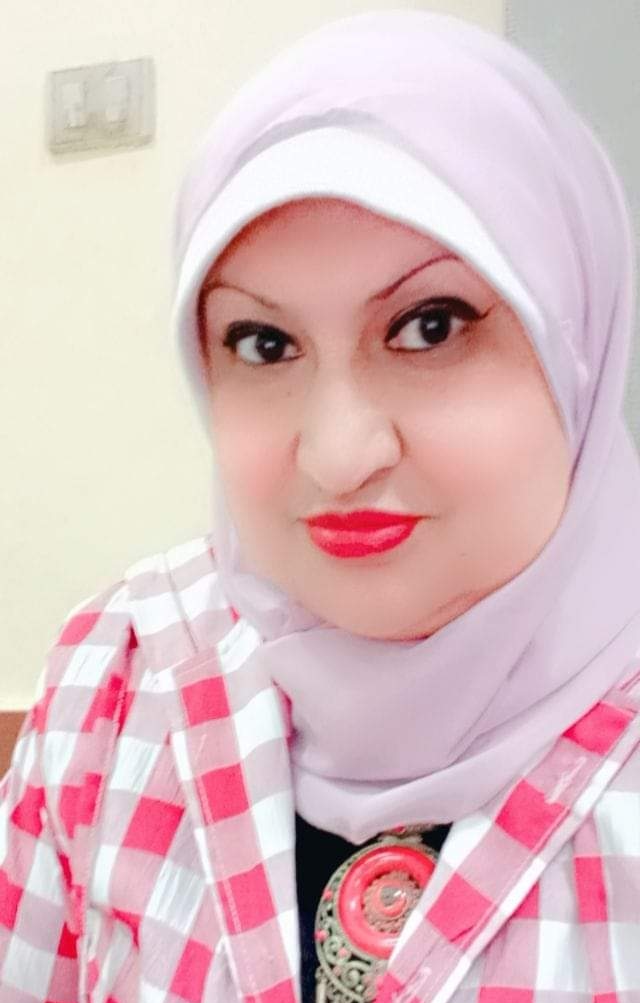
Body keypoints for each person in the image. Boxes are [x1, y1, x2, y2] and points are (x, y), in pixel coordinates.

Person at [2, 8, 640, 1003]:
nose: (340, 455)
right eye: (264, 344)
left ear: (576, 344)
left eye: (430, 326)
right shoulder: (125, 677)